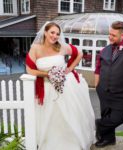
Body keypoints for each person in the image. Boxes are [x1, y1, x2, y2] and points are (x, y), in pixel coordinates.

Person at [25, 22, 95, 150]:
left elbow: (79, 53)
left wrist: (69, 68)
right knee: (51, 118)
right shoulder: (35, 48)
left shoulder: (62, 47)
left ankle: (71, 144)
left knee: (68, 116)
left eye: (57, 34)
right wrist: (48, 74)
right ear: (45, 32)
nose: (55, 36)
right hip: (46, 87)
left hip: (66, 87)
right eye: (52, 32)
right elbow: (30, 70)